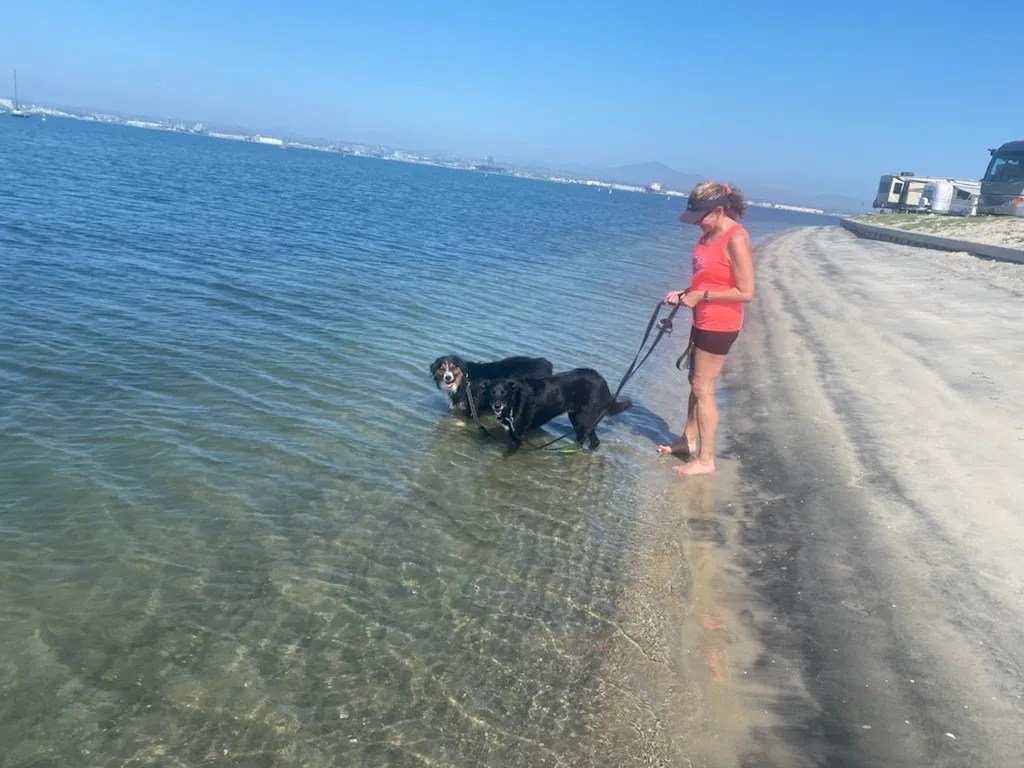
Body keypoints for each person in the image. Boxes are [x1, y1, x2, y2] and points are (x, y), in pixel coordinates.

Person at [657, 181, 755, 475]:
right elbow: (709, 279)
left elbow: (746, 292)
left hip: (721, 324)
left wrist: (703, 296)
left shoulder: (736, 238)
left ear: (719, 210)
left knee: (704, 388)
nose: (697, 223)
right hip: (702, 317)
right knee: (695, 383)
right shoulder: (707, 236)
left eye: (702, 217)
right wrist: (685, 292)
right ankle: (687, 442)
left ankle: (706, 460)